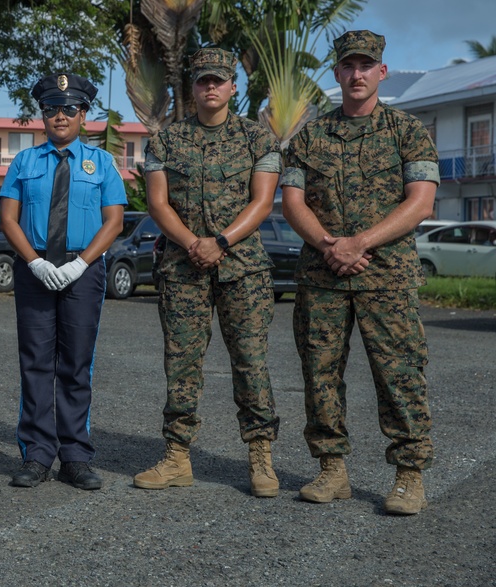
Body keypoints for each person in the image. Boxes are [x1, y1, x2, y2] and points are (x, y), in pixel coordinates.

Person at [281, 30, 438, 516]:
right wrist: (331, 245)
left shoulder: (406, 130)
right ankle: (332, 469)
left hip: (386, 275)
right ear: (337, 73)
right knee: (320, 374)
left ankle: (409, 476)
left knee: (398, 373)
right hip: (323, 274)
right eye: (348, 66)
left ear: (382, 72)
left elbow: (422, 202)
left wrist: (359, 242)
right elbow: (292, 201)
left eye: (366, 65)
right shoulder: (311, 134)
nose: (357, 74)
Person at [134, 48, 281, 497]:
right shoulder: (166, 142)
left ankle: (261, 456)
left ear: (233, 86)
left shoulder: (258, 139)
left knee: (251, 364)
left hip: (243, 270)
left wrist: (219, 241)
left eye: (219, 80)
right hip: (183, 268)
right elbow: (158, 203)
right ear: (192, 87)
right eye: (203, 80)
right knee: (181, 366)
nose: (211, 87)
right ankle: (177, 456)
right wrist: (192, 243)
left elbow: (262, 201)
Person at [0, 73, 126, 490]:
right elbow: (8, 219)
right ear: (43, 114)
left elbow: (114, 221)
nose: (59, 116)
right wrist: (33, 261)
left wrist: (82, 263)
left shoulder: (102, 162)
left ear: (84, 114)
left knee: (75, 365)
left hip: (82, 272)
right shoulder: (24, 161)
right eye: (51, 108)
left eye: (69, 108)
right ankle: (36, 455)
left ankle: (74, 455)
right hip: (35, 269)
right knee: (35, 363)